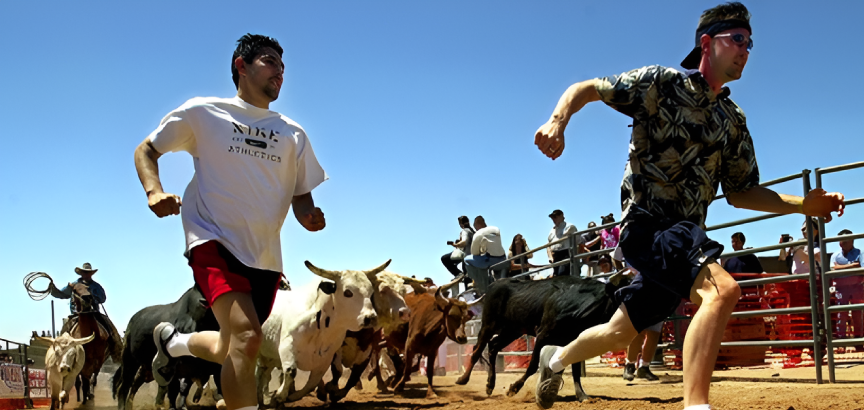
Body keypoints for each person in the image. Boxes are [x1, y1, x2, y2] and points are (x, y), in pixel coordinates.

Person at [530, 3, 845, 409]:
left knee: (618, 333)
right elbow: (587, 88)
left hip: (679, 241)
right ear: (706, 43)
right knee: (723, 290)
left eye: (750, 43)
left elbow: (742, 191)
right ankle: (697, 405)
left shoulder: (733, 119)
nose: (746, 50)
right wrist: (557, 121)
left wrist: (805, 205)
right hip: (647, 225)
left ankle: (553, 359)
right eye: (738, 40)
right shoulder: (660, 84)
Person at [133, 34, 327, 410]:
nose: (280, 72)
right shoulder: (203, 112)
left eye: (283, 67)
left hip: (266, 256)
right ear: (241, 65)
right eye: (270, 61)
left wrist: (307, 214)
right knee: (247, 337)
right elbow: (147, 149)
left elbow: (300, 191)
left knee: (235, 343)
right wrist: (154, 191)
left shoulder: (293, 133)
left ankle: (175, 343)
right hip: (212, 240)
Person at [48, 262, 124, 362]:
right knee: (64, 333)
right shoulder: (73, 285)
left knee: (110, 328)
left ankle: (117, 352)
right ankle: (60, 354)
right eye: (84, 272)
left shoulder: (96, 286)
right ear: (81, 273)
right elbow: (61, 294)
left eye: (88, 273)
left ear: (91, 274)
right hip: (76, 314)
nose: (86, 275)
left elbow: (103, 298)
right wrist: (52, 289)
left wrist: (93, 297)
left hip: (94, 313)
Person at [831, 229, 863, 339]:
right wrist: (853, 265)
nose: (842, 243)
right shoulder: (835, 255)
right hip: (841, 288)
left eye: (846, 240)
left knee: (857, 314)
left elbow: (862, 268)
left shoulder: (860, 253)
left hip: (857, 287)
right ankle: (841, 340)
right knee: (841, 314)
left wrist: (840, 268)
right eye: (841, 240)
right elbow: (833, 269)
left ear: (852, 240)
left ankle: (858, 340)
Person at [464, 216, 506, 291]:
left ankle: (479, 283)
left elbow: (475, 253)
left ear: (476, 226)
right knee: (483, 260)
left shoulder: (477, 234)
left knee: (467, 260)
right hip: (502, 259)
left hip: (490, 261)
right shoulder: (495, 229)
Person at [547, 210, 582, 277]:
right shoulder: (552, 231)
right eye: (552, 217)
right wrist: (550, 257)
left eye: (555, 217)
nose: (553, 219)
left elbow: (579, 242)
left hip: (566, 252)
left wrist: (578, 256)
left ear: (561, 216)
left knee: (564, 273)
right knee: (556, 275)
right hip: (555, 255)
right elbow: (548, 245)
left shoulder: (570, 227)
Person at [441, 215, 475, 280]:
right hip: (472, 257)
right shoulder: (472, 231)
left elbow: (464, 242)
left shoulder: (465, 231)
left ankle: (458, 274)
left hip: (466, 256)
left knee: (444, 259)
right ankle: (461, 275)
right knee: (468, 276)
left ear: (461, 224)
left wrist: (455, 245)